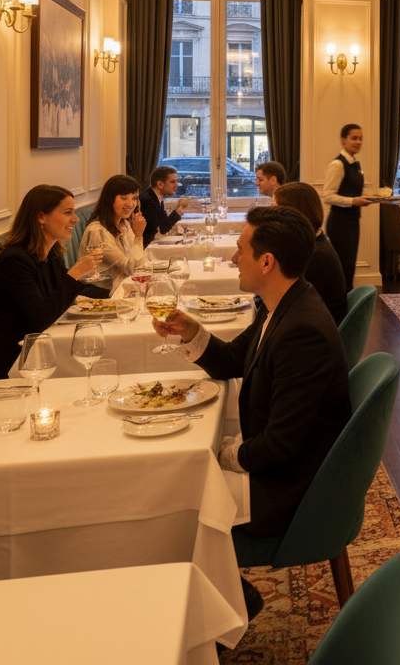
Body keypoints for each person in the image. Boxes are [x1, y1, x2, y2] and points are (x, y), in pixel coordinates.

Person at [152, 206, 352, 614]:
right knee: (172, 480)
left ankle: (214, 614)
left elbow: (281, 447)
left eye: (240, 250)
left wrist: (225, 453)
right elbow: (230, 361)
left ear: (267, 261)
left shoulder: (303, 330)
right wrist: (191, 330)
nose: (232, 258)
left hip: (288, 489)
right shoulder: (280, 304)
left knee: (168, 504)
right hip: (280, 465)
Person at [0, 185, 102, 382]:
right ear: (41, 217)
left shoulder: (52, 253)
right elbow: (40, 318)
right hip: (5, 363)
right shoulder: (14, 260)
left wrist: (118, 295)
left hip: (35, 354)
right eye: (67, 212)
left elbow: (67, 294)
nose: (76, 219)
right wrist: (76, 272)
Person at [274, 180, 348, 322]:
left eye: (274, 208)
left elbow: (288, 304)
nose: (270, 214)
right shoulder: (308, 244)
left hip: (313, 333)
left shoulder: (316, 255)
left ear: (293, 213)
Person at [323, 124, 372, 289]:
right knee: (343, 268)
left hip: (351, 221)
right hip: (339, 224)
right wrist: (353, 202)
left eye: (361, 139)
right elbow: (327, 196)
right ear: (343, 141)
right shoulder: (337, 164)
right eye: (354, 138)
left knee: (349, 267)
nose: (358, 142)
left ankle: (347, 305)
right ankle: (341, 308)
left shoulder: (355, 163)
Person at [78, 174, 147, 289]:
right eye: (124, 198)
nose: (130, 204)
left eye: (134, 198)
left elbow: (139, 265)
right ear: (109, 199)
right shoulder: (98, 231)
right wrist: (138, 236)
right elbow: (132, 268)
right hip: (101, 295)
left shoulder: (124, 224)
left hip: (123, 287)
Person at [139, 165, 191, 244]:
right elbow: (155, 233)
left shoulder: (157, 198)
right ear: (160, 184)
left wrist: (177, 212)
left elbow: (163, 228)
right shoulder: (147, 201)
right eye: (172, 182)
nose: (177, 185)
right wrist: (177, 213)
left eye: (177, 181)